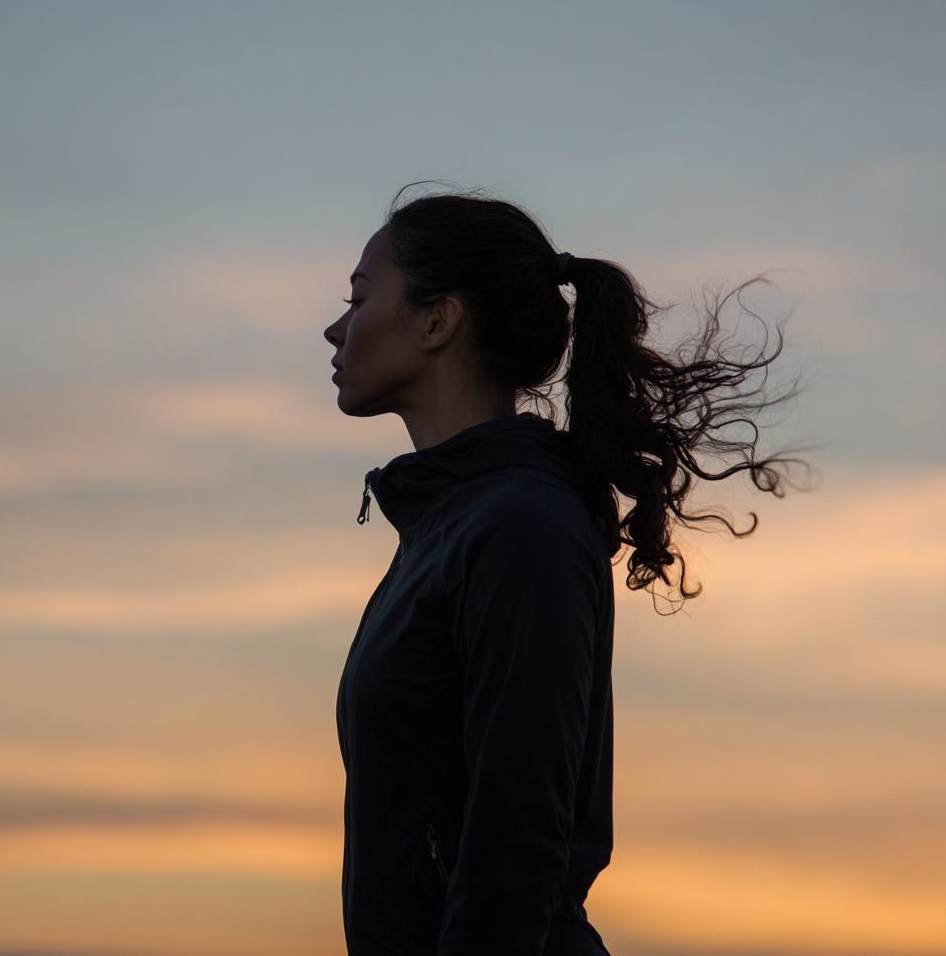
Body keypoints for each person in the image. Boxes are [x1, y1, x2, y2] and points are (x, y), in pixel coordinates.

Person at [323, 182, 813, 956]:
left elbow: (516, 844)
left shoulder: (520, 529)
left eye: (358, 297)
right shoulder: (450, 525)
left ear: (437, 320)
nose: (335, 327)